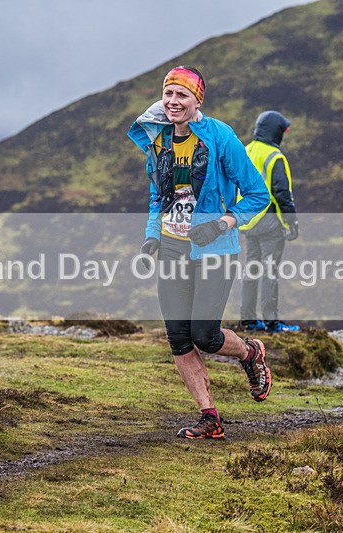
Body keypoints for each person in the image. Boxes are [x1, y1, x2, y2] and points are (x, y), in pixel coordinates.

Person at [128, 66, 272, 439]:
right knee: (178, 336)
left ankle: (250, 353)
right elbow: (158, 195)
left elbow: (257, 194)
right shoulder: (157, 138)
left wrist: (222, 223)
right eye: (168, 94)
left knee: (205, 336)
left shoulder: (219, 136)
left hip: (214, 249)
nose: (173, 102)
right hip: (172, 249)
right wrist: (151, 236)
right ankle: (210, 417)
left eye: (182, 96)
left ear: (197, 101)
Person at [239, 110, 301, 334]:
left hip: (248, 222)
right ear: (276, 132)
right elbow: (283, 194)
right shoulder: (274, 156)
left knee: (251, 269)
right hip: (269, 222)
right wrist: (292, 223)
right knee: (269, 271)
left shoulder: (245, 150)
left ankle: (248, 320)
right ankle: (272, 322)